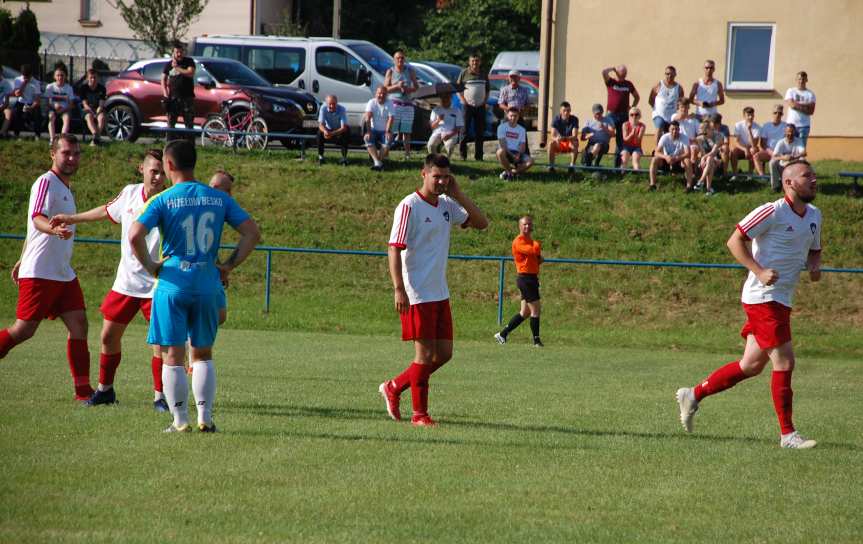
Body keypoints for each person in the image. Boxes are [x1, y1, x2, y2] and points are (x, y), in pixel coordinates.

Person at [675, 160, 822, 449]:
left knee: (751, 365)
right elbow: (734, 241)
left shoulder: (815, 215)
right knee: (785, 361)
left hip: (782, 299)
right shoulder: (772, 211)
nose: (814, 180)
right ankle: (788, 435)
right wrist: (759, 271)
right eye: (807, 176)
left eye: (814, 175)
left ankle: (693, 394)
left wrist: (815, 266)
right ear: (788, 182)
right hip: (763, 298)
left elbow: (815, 251)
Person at [129, 140, 261, 433]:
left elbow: (135, 234)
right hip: (206, 281)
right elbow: (252, 232)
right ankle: (206, 418)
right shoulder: (218, 198)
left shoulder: (162, 199)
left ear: (170, 165)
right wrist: (227, 265)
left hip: (173, 281)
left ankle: (179, 421)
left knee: (173, 355)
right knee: (202, 352)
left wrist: (152, 267)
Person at [48, 149, 168, 409]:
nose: (158, 176)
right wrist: (71, 218)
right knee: (108, 336)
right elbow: (106, 211)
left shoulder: (170, 200)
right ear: (142, 169)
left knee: (161, 344)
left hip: (157, 284)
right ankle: (105, 390)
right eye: (153, 171)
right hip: (126, 282)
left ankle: (161, 397)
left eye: (162, 172)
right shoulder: (129, 194)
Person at [379, 153, 489, 426]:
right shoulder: (409, 206)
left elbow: (481, 223)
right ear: (424, 174)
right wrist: (398, 289)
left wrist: (459, 193)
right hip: (417, 293)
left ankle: (394, 387)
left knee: (445, 354)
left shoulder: (447, 205)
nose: (441, 181)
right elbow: (394, 248)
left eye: (445, 176)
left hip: (439, 292)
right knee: (425, 355)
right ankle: (420, 415)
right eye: (436, 176)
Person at [0, 135, 93, 401]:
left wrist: (20, 257)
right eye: (66, 153)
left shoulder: (65, 187)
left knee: (79, 325)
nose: (72, 158)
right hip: (41, 271)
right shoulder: (45, 181)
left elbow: (31, 229)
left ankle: (84, 393)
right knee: (23, 330)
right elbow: (37, 218)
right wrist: (54, 229)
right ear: (52, 154)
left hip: (62, 272)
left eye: (76, 153)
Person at [494, 215, 543, 347]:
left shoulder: (530, 241)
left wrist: (537, 256)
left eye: (529, 224)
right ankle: (536, 341)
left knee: (525, 312)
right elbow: (534, 251)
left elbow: (538, 259)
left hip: (532, 278)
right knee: (536, 310)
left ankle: (502, 334)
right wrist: (537, 250)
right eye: (524, 224)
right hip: (525, 278)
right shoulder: (519, 241)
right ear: (519, 226)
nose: (527, 226)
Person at [601, 64, 639, 167]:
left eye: (625, 73)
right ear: (617, 72)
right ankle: (596, 158)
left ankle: (617, 167)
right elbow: (603, 72)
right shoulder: (611, 82)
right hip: (611, 115)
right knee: (606, 134)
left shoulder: (628, 84)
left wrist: (632, 108)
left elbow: (637, 97)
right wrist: (612, 68)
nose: (624, 75)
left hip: (623, 115)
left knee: (621, 141)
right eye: (622, 73)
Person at [384, 50, 419, 159]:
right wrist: (397, 86)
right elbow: (385, 89)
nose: (400, 60)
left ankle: (407, 154)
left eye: (402, 58)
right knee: (391, 130)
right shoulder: (390, 71)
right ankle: (386, 152)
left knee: (406, 131)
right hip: (395, 103)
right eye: (398, 58)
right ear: (394, 60)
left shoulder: (410, 71)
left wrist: (408, 89)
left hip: (408, 104)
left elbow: (416, 87)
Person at [456, 52, 490, 161]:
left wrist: (484, 101)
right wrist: (464, 101)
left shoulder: (484, 74)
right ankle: (463, 156)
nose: (475, 63)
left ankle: (479, 157)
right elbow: (458, 89)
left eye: (477, 60)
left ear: (480, 62)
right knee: (464, 131)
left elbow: (488, 89)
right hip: (467, 106)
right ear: (469, 62)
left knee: (480, 132)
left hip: (480, 106)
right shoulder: (464, 73)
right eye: (473, 60)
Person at [161, 41, 196, 142]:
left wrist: (177, 68)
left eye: (181, 52)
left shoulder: (189, 62)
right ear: (173, 53)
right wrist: (165, 93)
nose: (179, 54)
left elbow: (190, 73)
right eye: (177, 52)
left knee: (189, 124)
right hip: (173, 99)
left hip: (187, 98)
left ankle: (189, 146)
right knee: (170, 124)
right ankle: (169, 146)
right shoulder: (168, 65)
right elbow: (163, 78)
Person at [649, 121, 693, 191]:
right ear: (669, 130)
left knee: (687, 161)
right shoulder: (665, 137)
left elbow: (688, 153)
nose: (674, 131)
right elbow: (656, 152)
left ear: (679, 130)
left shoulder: (684, 137)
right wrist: (666, 157)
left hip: (678, 160)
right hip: (666, 160)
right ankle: (652, 185)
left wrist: (677, 158)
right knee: (654, 159)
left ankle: (689, 186)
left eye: (676, 129)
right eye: (672, 129)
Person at [648, 65, 684, 148]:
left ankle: (670, 150)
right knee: (659, 125)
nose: (669, 76)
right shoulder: (659, 85)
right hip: (659, 114)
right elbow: (651, 99)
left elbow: (681, 103)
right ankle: (657, 149)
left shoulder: (679, 88)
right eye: (667, 74)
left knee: (672, 132)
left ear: (675, 74)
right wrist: (656, 109)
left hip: (671, 116)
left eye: (671, 74)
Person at [496, 107, 533, 180]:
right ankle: (510, 172)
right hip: (506, 151)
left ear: (518, 117)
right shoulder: (501, 127)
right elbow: (503, 145)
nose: (513, 118)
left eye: (515, 116)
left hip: (517, 153)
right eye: (511, 116)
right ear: (507, 116)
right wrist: (512, 155)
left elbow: (523, 146)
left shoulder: (522, 129)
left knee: (531, 161)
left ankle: (511, 172)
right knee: (500, 152)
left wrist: (518, 154)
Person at [731, 107, 770, 176]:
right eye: (748, 115)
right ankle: (735, 174)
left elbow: (754, 144)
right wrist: (745, 149)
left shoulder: (757, 127)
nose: (750, 117)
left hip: (751, 147)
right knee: (734, 151)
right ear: (744, 116)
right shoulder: (738, 125)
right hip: (741, 147)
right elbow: (736, 142)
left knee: (753, 150)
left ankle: (750, 174)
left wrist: (749, 130)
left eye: (752, 115)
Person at [363, 85, 394, 171]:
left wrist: (387, 131)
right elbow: (367, 118)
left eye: (383, 93)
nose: (381, 95)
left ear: (386, 95)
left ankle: (378, 162)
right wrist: (368, 132)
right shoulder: (371, 102)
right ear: (376, 94)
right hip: (373, 129)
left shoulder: (389, 102)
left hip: (385, 130)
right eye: (379, 93)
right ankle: (378, 162)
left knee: (388, 139)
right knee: (367, 138)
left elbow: (391, 118)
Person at [769, 125, 807, 192]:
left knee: (803, 160)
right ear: (785, 132)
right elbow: (774, 156)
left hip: (794, 165)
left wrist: (794, 157)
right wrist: (783, 157)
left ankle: (801, 185)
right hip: (782, 165)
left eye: (792, 132)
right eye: (788, 132)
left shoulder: (798, 141)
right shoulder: (781, 142)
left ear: (794, 132)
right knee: (772, 162)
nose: (790, 134)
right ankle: (775, 186)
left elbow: (804, 153)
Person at [427, 93, 464, 159]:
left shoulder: (456, 110)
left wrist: (449, 134)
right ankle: (436, 160)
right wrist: (438, 120)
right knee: (430, 145)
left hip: (451, 133)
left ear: (450, 98)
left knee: (449, 147)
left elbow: (459, 127)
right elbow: (432, 126)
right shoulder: (435, 110)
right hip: (437, 132)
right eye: (443, 98)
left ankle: (445, 162)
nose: (444, 100)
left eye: (446, 98)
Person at [10, 64, 42, 140]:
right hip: (21, 102)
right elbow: (18, 94)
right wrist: (24, 83)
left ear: (31, 75)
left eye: (28, 76)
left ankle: (37, 135)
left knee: (38, 113)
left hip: (31, 103)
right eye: (24, 76)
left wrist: (31, 107)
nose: (26, 78)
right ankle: (16, 134)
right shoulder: (18, 80)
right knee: (16, 112)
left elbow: (37, 99)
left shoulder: (36, 83)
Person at [44, 67, 75, 144]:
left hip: (64, 110)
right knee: (51, 117)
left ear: (65, 76)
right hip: (53, 109)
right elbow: (47, 103)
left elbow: (71, 104)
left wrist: (62, 110)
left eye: (62, 75)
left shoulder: (69, 88)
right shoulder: (50, 87)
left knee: (66, 119)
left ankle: (62, 140)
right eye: (58, 75)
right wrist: (54, 108)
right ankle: (52, 139)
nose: (60, 77)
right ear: (54, 77)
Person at [784, 71, 816, 147]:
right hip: (791, 125)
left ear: (806, 80)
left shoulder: (810, 94)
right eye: (799, 79)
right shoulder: (791, 91)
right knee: (789, 146)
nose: (801, 81)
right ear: (796, 80)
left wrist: (797, 104)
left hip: (804, 126)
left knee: (801, 148)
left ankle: (800, 159)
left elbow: (811, 111)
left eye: (803, 79)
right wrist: (806, 105)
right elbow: (792, 105)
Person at [317, 94, 350, 166]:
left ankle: (344, 158)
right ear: (326, 103)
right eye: (330, 104)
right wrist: (325, 131)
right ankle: (320, 157)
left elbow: (343, 127)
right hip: (328, 129)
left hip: (339, 131)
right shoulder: (323, 108)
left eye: (334, 104)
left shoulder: (342, 109)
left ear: (337, 103)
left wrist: (331, 134)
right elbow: (320, 125)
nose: (332, 106)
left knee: (347, 131)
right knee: (319, 133)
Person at [77, 68, 107, 145]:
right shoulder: (83, 88)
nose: (93, 79)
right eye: (91, 77)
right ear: (87, 78)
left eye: (95, 77)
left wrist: (97, 113)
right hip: (87, 109)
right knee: (89, 117)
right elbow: (85, 104)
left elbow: (101, 104)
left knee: (102, 117)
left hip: (97, 108)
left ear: (97, 78)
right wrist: (92, 113)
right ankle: (96, 136)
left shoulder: (102, 88)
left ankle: (95, 140)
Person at [547, 101, 578, 172]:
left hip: (569, 142)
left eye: (568, 110)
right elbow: (552, 135)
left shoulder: (574, 119)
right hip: (559, 143)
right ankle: (551, 166)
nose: (566, 113)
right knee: (550, 143)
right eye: (564, 110)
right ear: (560, 111)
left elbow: (575, 136)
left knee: (575, 143)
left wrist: (564, 138)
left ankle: (572, 166)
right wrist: (557, 139)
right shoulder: (556, 119)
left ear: (570, 111)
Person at [694, 119, 721, 196]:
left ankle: (701, 181)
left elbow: (713, 152)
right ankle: (708, 189)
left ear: (707, 129)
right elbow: (703, 152)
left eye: (701, 128)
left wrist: (703, 158)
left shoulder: (717, 136)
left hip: (717, 158)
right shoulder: (699, 139)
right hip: (708, 160)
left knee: (710, 159)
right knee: (710, 163)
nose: (699, 130)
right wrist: (703, 158)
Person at [671, 98, 700, 164]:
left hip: (691, 143)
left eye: (686, 107)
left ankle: (691, 170)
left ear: (688, 107)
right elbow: (680, 116)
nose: (684, 109)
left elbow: (700, 135)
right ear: (678, 107)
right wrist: (689, 116)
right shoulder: (674, 116)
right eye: (682, 107)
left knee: (694, 149)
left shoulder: (694, 120)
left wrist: (694, 140)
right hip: (678, 143)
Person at [0, 74, 12, 138]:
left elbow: (7, 101)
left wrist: (2, 107)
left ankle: (2, 133)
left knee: (8, 112)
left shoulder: (6, 83)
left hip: (2, 106)